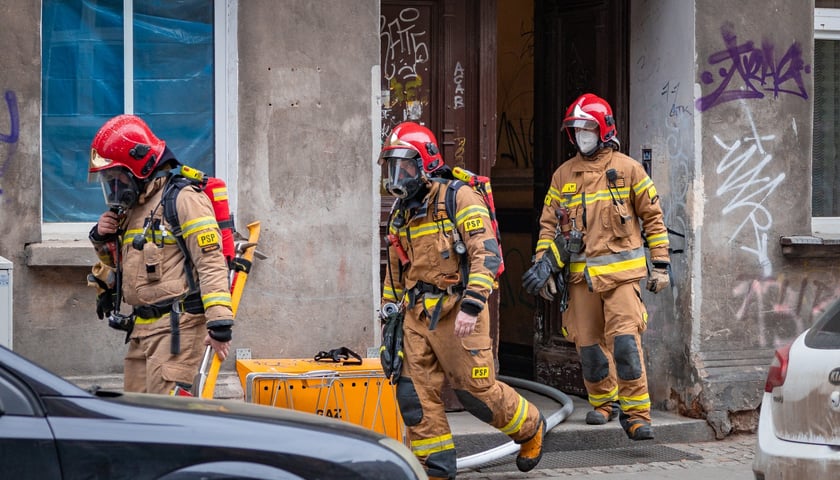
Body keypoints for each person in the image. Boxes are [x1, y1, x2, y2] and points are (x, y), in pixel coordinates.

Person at [379, 122, 545, 479]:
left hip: (458, 313)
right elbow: (395, 274)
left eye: (404, 166)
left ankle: (530, 427)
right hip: (416, 316)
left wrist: (472, 305)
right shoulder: (400, 213)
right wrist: (389, 322)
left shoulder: (459, 198)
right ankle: (436, 469)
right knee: (413, 396)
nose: (397, 176)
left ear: (425, 163)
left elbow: (486, 254)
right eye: (392, 167)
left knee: (476, 394)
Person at [521, 93, 671, 441]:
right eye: (576, 130)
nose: (581, 136)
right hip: (580, 279)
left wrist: (660, 264)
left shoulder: (628, 169)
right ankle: (604, 403)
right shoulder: (563, 175)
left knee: (625, 344)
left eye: (587, 128)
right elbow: (548, 225)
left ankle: (637, 415)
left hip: (621, 278)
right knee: (588, 346)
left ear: (604, 130)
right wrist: (544, 267)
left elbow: (653, 217)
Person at [86, 114, 234, 395]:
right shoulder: (134, 208)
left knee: (167, 417)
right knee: (135, 415)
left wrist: (219, 323)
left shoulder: (184, 198)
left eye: (116, 177)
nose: (114, 186)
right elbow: (124, 265)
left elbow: (211, 262)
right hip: (141, 331)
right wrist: (102, 239)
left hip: (176, 333)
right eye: (109, 180)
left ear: (139, 168)